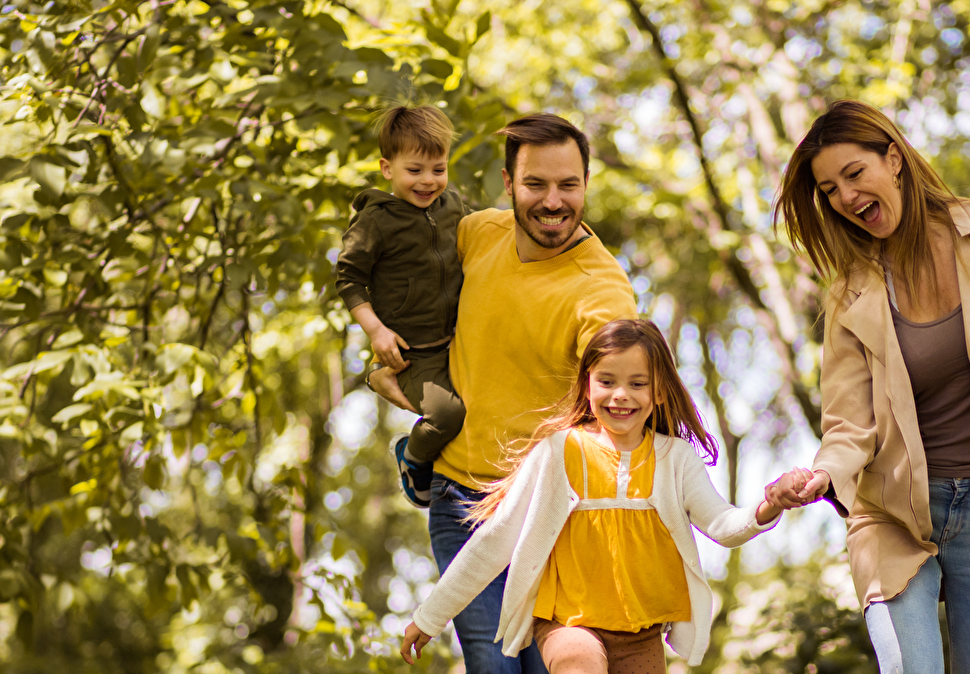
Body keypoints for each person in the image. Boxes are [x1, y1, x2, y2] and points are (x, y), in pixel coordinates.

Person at [763, 99, 970, 674]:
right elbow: (850, 424)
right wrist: (824, 474)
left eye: (854, 174)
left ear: (893, 159)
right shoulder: (851, 292)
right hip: (892, 514)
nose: (845, 197)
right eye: (828, 189)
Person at [376, 113, 639, 673]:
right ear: (508, 183)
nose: (553, 201)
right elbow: (409, 290)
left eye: (569, 185)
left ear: (586, 184)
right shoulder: (477, 234)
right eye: (536, 184)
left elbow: (620, 400)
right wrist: (388, 368)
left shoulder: (603, 290)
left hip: (549, 513)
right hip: (459, 500)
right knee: (490, 664)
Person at [398, 319, 794, 673]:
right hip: (568, 625)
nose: (621, 395)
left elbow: (722, 525)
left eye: (638, 384)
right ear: (587, 384)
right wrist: (430, 618)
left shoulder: (675, 459)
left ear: (658, 392)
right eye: (607, 381)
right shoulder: (559, 452)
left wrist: (768, 506)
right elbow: (495, 539)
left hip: (641, 634)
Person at [336, 104, 473, 508]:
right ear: (387, 168)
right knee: (447, 416)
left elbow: (480, 234)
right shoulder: (376, 221)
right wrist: (376, 330)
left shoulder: (452, 206)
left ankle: (383, 383)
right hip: (414, 351)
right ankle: (411, 456)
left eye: (438, 168)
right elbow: (348, 278)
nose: (429, 181)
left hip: (457, 335)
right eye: (415, 170)